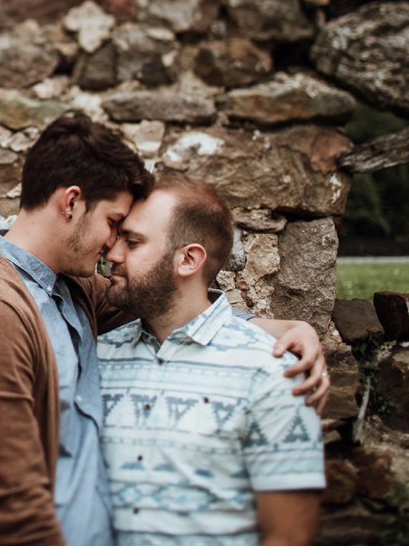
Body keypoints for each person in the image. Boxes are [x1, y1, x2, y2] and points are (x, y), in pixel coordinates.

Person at [0, 113, 328, 546]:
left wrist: (287, 328)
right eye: (114, 223)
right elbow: (13, 505)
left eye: (129, 237)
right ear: (71, 203)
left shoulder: (74, 290)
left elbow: (172, 306)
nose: (113, 248)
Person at [98, 171, 324, 544]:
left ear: (188, 259)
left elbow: (289, 538)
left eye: (132, 242)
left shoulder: (273, 372)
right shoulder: (98, 356)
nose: (112, 254)